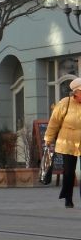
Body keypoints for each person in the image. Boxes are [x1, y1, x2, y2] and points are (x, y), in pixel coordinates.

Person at [44, 76, 81, 208]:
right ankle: (68, 198)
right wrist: (48, 139)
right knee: (69, 172)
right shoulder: (65, 103)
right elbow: (54, 122)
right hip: (68, 142)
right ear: (76, 92)